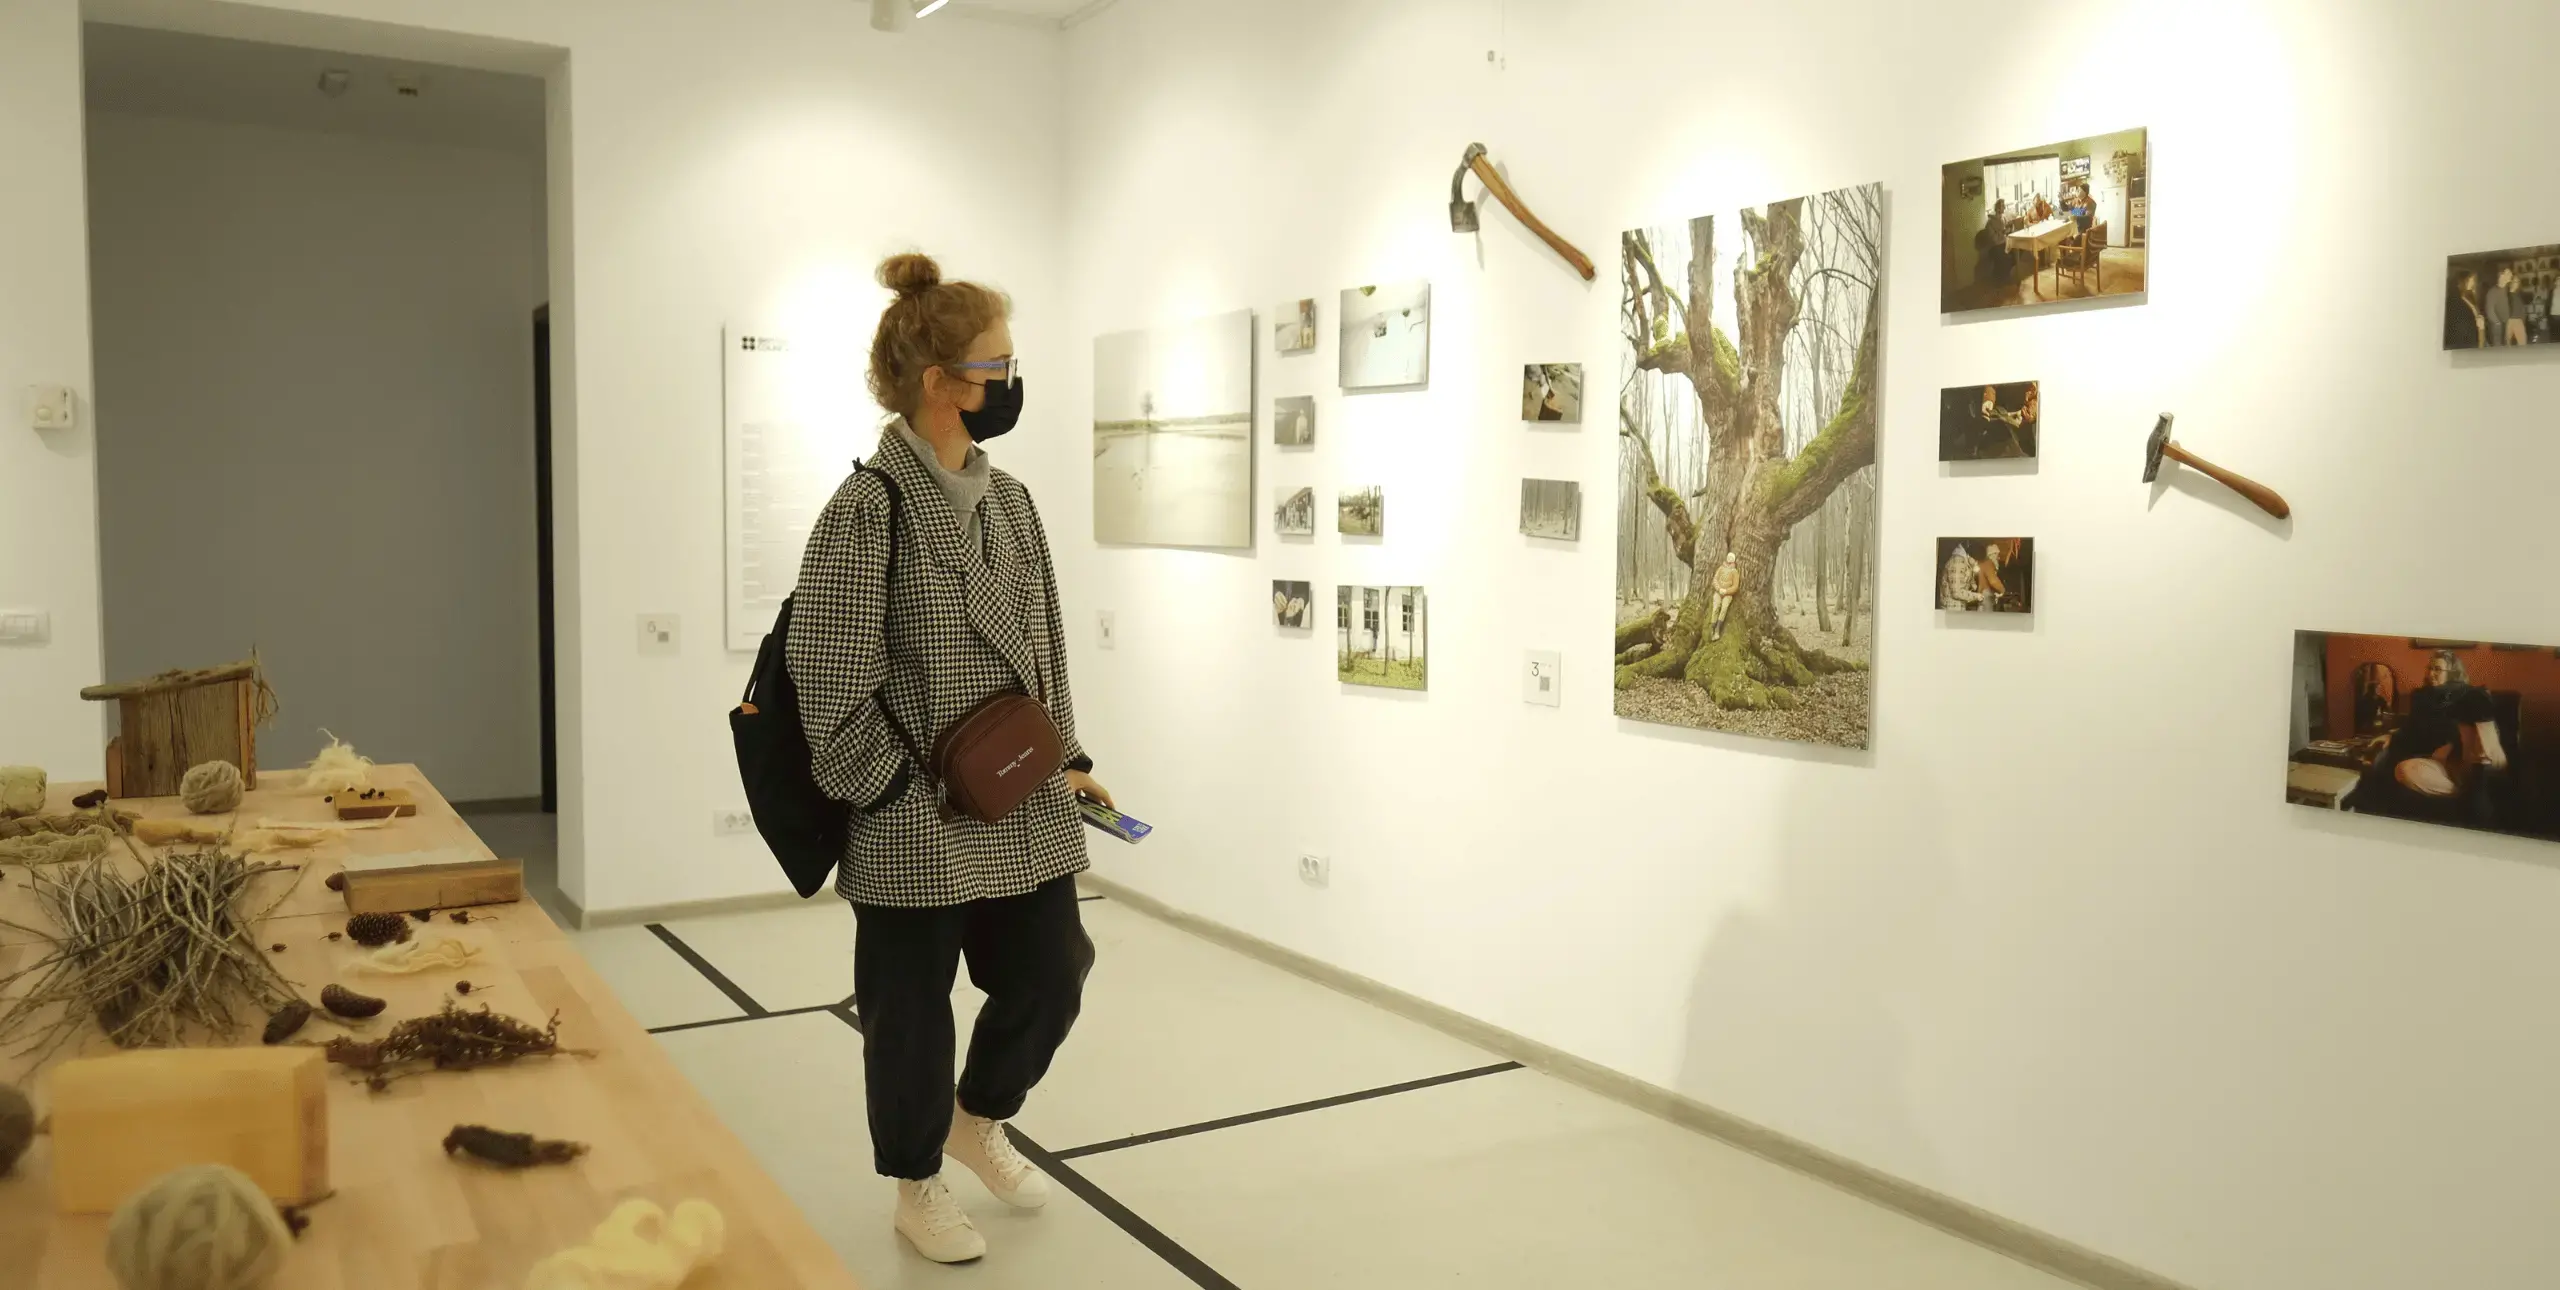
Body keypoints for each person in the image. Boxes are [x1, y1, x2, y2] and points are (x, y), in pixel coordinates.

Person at [789, 252, 1112, 1265]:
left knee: (1054, 973)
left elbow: (1044, 641)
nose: (1011, 382)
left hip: (1018, 798)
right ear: (940, 382)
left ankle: (981, 1117)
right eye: (997, 365)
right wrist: (888, 789)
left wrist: (1066, 755)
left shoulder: (1009, 500)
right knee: (910, 1015)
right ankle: (916, 1183)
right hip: (911, 810)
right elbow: (829, 675)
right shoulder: (868, 508)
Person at [2350, 650, 2509, 829]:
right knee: (2398, 770)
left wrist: (2452, 746)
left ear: (2452, 673)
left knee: (2476, 708)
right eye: (2429, 668)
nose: (2430, 673)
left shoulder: (2468, 695)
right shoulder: (2421, 697)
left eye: (2437, 669)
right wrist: (2391, 735)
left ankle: (2475, 790)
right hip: (2431, 760)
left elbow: (2478, 734)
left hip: (2463, 757)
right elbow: (2411, 728)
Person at [2445, 270, 2486, 349]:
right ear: (2462, 282)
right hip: (2467, 341)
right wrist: (2476, 323)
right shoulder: (2454, 302)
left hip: (2478, 334)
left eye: (2473, 280)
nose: (2473, 283)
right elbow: (2460, 326)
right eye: (2470, 280)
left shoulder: (2469, 297)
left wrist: (2480, 319)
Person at [1708, 552, 1741, 642]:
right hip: (1718, 593)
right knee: (1716, 608)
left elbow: (1735, 586)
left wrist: (1726, 591)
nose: (1730, 559)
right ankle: (1712, 628)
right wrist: (1719, 589)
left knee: (1724, 608)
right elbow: (1715, 579)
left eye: (1732, 558)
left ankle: (1718, 629)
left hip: (1728, 594)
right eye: (1729, 557)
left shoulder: (1735, 572)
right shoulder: (1721, 568)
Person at [1939, 543, 1981, 610]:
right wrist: (1976, 596)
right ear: (1969, 556)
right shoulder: (1957, 563)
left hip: (1957, 606)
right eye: (1976, 561)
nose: (1976, 563)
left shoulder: (1966, 563)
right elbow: (1956, 592)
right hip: (1951, 607)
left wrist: (1973, 584)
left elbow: (1964, 579)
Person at [2498, 266, 2531, 346]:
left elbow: (2524, 305)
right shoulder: (2505, 294)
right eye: (2516, 281)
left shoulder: (2519, 294)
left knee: (2523, 343)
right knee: (2507, 344)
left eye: (2518, 282)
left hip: (2519, 321)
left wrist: (2523, 319)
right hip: (2509, 321)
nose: (2518, 283)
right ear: (2511, 282)